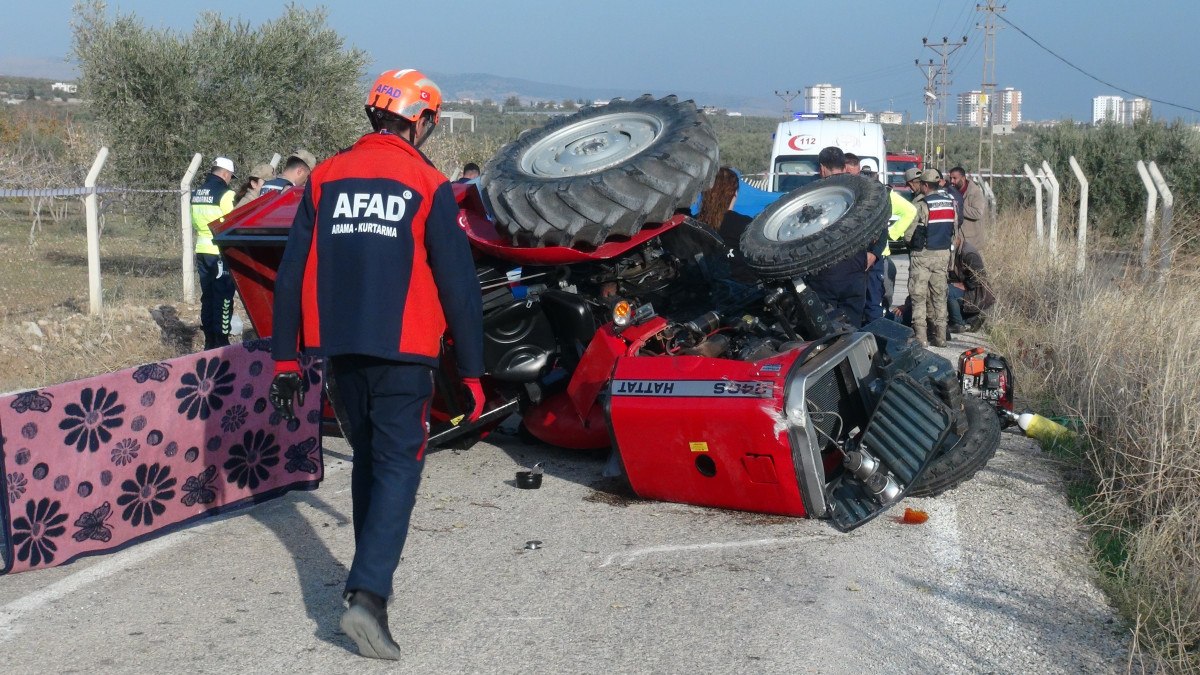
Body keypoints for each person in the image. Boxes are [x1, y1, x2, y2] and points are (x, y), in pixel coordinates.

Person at [268, 68, 484, 661]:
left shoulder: (324, 178)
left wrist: (285, 357)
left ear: (374, 114)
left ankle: (365, 582)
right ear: (424, 121)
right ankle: (369, 596)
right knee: (397, 469)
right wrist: (471, 371)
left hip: (339, 352)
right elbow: (459, 287)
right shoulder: (428, 182)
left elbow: (289, 276)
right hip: (405, 353)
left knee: (370, 463)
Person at [801, 147, 875, 327]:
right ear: (844, 166)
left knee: (826, 335)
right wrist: (875, 253)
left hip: (824, 275)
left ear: (822, 168)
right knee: (852, 332)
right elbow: (879, 222)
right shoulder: (861, 191)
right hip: (855, 273)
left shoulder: (814, 194)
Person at [903, 168, 958, 347]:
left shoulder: (922, 204)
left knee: (918, 296)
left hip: (922, 256)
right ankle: (941, 337)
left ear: (925, 185)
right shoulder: (950, 203)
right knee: (939, 296)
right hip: (943, 255)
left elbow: (909, 234)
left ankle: (921, 338)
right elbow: (954, 231)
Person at [190, 156, 237, 349]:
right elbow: (233, 222)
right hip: (219, 251)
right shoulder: (226, 194)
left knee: (207, 296)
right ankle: (222, 340)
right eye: (230, 177)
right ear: (225, 174)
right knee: (224, 297)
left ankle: (209, 340)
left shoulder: (197, 193)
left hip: (201, 249)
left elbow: (194, 222)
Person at [861, 166, 916, 322]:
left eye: (869, 176)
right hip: (857, 256)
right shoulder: (857, 193)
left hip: (878, 256)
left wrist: (893, 233)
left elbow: (910, 211)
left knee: (875, 299)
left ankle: (878, 337)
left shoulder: (885, 194)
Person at [695, 166, 756, 285]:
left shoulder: (694, 224)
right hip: (742, 293)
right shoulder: (744, 224)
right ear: (734, 193)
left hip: (705, 291)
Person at [948, 232, 995, 332]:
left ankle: (958, 323)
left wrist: (962, 284)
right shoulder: (956, 250)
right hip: (968, 290)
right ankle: (972, 319)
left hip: (977, 293)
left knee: (947, 290)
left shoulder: (969, 253)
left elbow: (978, 278)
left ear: (957, 239)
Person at [948, 166, 987, 248]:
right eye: (950, 178)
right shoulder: (951, 191)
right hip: (956, 240)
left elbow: (977, 213)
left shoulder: (975, 192)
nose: (952, 181)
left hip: (972, 242)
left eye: (955, 178)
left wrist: (958, 207)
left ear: (963, 178)